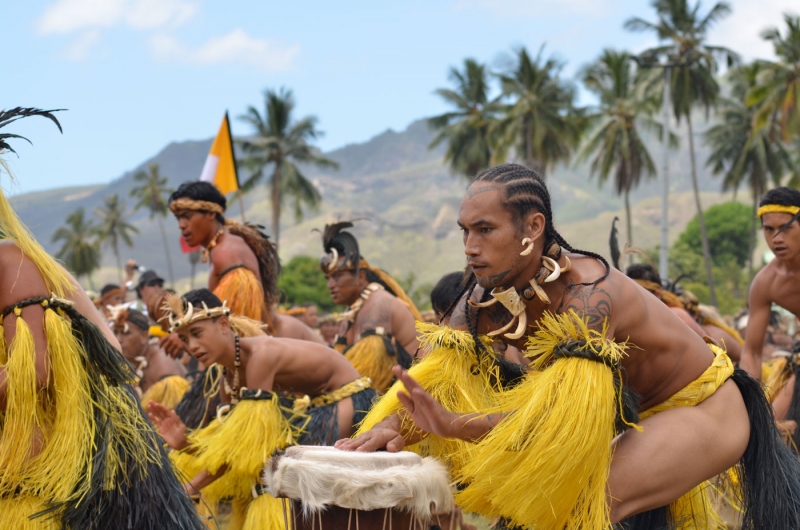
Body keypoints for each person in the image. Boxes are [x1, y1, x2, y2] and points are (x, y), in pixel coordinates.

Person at [338, 164, 800, 529]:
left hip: (703, 409)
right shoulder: (479, 301)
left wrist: (459, 426)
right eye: (464, 231)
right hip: (638, 419)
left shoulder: (588, 295)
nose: (469, 247)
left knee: (577, 506)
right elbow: (430, 380)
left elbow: (558, 424)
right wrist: (391, 426)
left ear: (532, 227)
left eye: (484, 230)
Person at [0, 107, 202, 529]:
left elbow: (35, 372)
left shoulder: (8, 262)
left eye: (188, 216)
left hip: (59, 476)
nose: (182, 225)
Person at [149, 288, 376, 530]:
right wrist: (187, 443)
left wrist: (192, 486)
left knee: (273, 463)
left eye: (196, 333)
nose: (192, 346)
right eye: (184, 339)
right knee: (264, 465)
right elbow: (231, 446)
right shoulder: (228, 377)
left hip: (349, 399)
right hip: (316, 407)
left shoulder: (260, 356)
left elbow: (247, 447)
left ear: (224, 324)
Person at [168, 181, 323, 346]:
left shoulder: (226, 251)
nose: (181, 225)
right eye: (178, 218)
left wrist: (190, 332)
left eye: (187, 216)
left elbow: (241, 321)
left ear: (211, 213)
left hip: (287, 345)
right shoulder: (223, 247)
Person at [320, 221, 421, 392]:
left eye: (337, 276)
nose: (330, 285)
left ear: (360, 277)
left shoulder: (377, 303)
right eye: (328, 278)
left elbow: (367, 381)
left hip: (410, 395)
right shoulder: (352, 311)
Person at [741, 187, 800, 446]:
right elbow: (752, 353)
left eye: (786, 228)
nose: (777, 238)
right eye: (769, 229)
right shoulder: (766, 283)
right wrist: (752, 405)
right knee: (769, 432)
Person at [626, 263, 744, 363]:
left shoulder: (677, 316)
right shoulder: (629, 321)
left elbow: (710, 354)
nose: (635, 301)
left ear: (657, 294)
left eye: (641, 295)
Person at [110, 305, 189, 410]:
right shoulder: (126, 361)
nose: (118, 339)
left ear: (144, 336)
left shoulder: (162, 365)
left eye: (125, 333)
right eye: (115, 332)